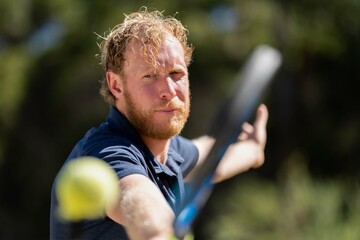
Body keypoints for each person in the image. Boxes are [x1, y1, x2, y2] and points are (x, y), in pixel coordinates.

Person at [50, 8, 268, 240]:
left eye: (176, 73)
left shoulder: (167, 150)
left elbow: (209, 154)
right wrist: (156, 231)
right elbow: (136, 198)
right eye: (151, 75)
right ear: (116, 85)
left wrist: (252, 150)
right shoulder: (107, 154)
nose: (170, 90)